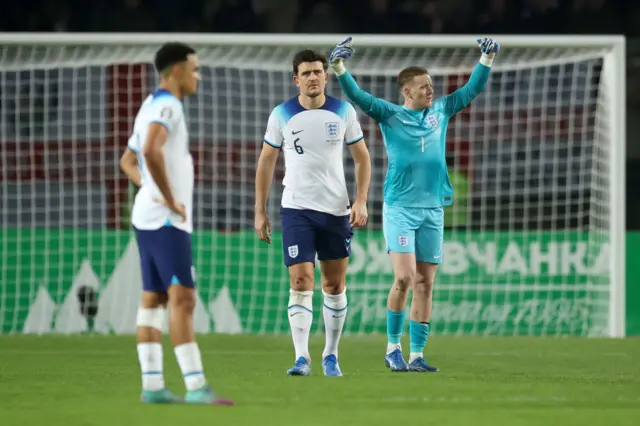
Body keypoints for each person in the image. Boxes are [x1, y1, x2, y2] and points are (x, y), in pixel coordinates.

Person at [329, 36, 499, 372]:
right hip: (400, 209)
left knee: (426, 282)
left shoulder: (441, 110)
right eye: (423, 87)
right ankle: (393, 347)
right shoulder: (390, 115)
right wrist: (339, 68)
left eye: (431, 85)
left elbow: (470, 91)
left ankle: (417, 354)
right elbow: (359, 97)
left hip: (433, 209)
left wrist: (486, 59)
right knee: (405, 278)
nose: (430, 91)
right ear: (406, 92)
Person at [122, 42, 233, 404]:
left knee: (153, 299)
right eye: (194, 69)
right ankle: (196, 385)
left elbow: (128, 160)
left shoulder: (148, 106)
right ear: (175, 72)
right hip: (166, 221)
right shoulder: (168, 105)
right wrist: (169, 199)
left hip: (148, 216)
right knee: (183, 299)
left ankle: (152, 386)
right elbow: (151, 150)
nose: (198, 76)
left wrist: (150, 188)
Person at [254, 49, 372, 377]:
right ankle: (301, 357)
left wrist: (360, 201)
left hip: (336, 210)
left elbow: (362, 158)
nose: (313, 77)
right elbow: (266, 161)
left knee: (333, 286)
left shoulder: (343, 111)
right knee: (301, 280)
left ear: (326, 76)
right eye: (306, 73)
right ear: (296, 79)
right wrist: (259, 210)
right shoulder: (281, 114)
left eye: (318, 71)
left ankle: (330, 355)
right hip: (296, 209)